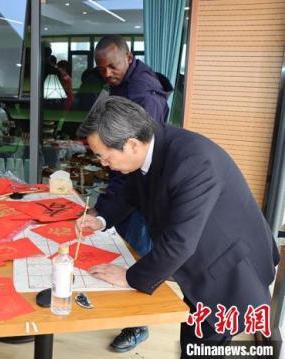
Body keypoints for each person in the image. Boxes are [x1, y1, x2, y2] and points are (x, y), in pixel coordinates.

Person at [76, 96, 279, 357]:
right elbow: (132, 191)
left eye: (105, 157)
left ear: (131, 144)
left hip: (229, 267)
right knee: (193, 338)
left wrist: (129, 276)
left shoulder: (193, 162)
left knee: (202, 345)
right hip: (202, 259)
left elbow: (180, 242)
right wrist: (101, 218)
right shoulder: (151, 145)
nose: (104, 165)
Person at [92, 35, 174, 352]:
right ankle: (122, 308)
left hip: (144, 188)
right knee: (121, 247)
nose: (108, 73)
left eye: (112, 65)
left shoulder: (145, 96)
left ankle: (138, 323)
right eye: (102, 69)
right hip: (130, 182)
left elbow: (132, 160)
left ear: (128, 56)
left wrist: (104, 208)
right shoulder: (121, 84)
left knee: (138, 253)